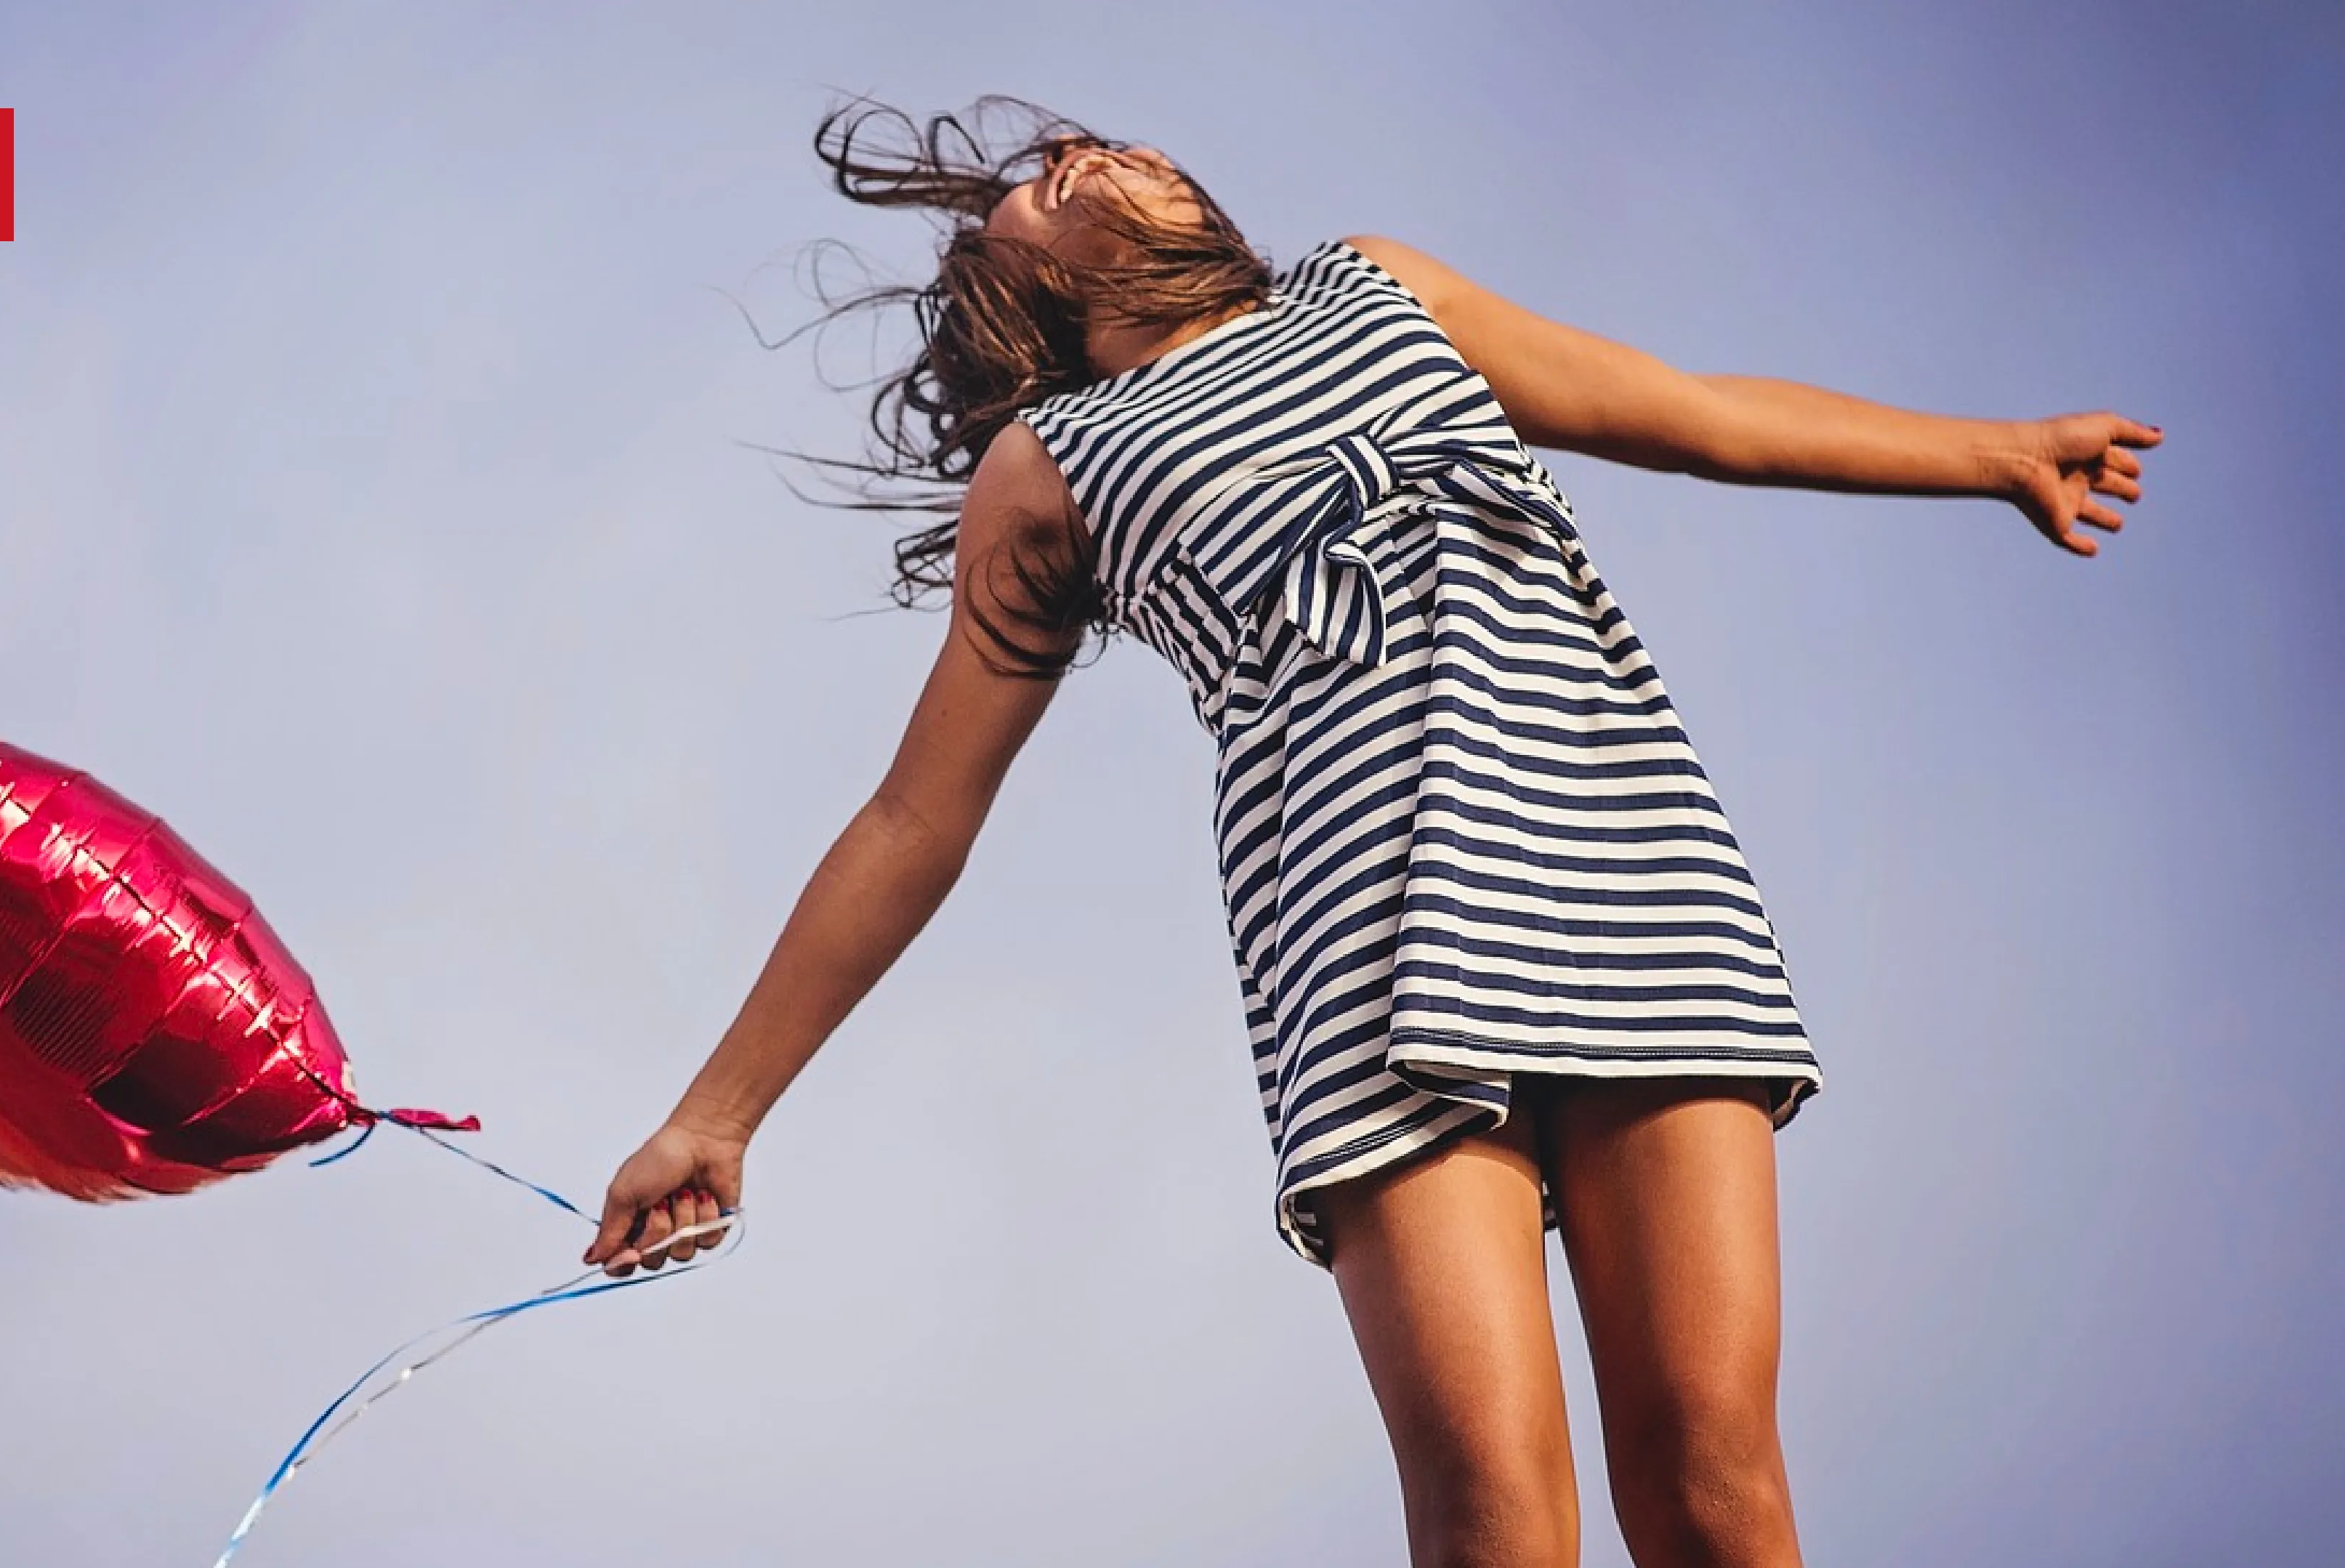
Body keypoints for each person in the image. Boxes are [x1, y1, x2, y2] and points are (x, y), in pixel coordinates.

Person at [581, 95, 2159, 1567]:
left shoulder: (1371, 288)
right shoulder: (1051, 465)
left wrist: (1994, 451)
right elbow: (916, 816)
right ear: (1029, 292)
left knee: (1709, 1467)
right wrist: (719, 1112)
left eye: (1099, 147)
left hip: (1623, 866)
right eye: (1046, 187)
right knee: (1490, 1508)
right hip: (1363, 956)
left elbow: (1685, 410)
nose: (1091, 164)